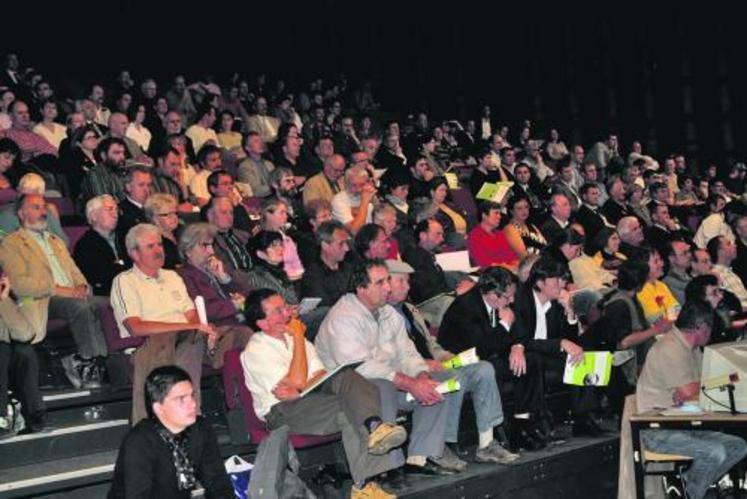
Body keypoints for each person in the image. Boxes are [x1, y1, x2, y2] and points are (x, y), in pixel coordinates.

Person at [241, 289, 404, 498]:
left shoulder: (296, 340)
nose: (287, 313)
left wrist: (299, 387)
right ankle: (363, 486)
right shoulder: (256, 350)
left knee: (348, 377)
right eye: (278, 310)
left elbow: (318, 373)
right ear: (262, 323)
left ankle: (374, 427)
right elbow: (297, 382)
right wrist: (299, 337)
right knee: (351, 408)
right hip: (280, 412)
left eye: (285, 307)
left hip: (309, 399)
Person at [315, 259, 463, 476]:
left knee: (435, 384)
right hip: (352, 393)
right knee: (382, 387)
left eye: (387, 281)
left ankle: (419, 458)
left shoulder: (388, 312)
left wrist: (420, 377)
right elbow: (361, 368)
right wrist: (411, 383)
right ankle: (387, 465)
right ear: (361, 288)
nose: (388, 287)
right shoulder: (343, 318)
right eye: (380, 282)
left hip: (392, 381)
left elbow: (408, 353)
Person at [637, 301, 747, 499]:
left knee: (738, 446)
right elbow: (691, 390)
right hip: (658, 431)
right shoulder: (669, 349)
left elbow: (701, 387)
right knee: (714, 453)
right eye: (711, 328)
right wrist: (719, 380)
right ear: (702, 327)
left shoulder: (693, 349)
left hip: (685, 425)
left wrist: (710, 383)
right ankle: (689, 493)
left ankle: (685, 486)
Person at [0, 194, 107, 390]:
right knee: (82, 307)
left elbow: (75, 272)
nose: (43, 212)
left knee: (108, 304)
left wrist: (82, 286)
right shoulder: (11, 243)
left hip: (71, 296)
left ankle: (104, 362)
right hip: (40, 300)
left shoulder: (55, 241)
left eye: (44, 208)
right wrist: (58, 289)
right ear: (22, 214)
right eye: (36, 208)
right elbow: (19, 285)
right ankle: (89, 364)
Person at [111, 223, 216, 424]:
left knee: (236, 334)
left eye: (159, 245)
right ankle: (188, 416)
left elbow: (191, 315)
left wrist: (200, 329)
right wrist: (188, 328)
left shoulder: (173, 276)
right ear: (134, 253)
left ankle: (186, 415)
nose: (159, 250)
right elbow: (135, 327)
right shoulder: (125, 281)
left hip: (185, 340)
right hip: (147, 345)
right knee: (186, 340)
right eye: (150, 247)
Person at [108, 366, 234, 498]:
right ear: (158, 408)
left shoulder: (201, 429)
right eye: (181, 399)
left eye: (191, 396)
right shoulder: (139, 442)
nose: (193, 404)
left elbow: (217, 481)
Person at [0, 273, 47, 436]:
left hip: (6, 351)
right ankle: (2, 418)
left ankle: (34, 414)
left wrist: (4, 300)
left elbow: (25, 334)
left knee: (25, 352)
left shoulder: (9, 300)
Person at [73, 195, 128, 296]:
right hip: (109, 294)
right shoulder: (85, 245)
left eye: (116, 210)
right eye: (109, 209)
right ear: (94, 216)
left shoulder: (125, 237)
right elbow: (100, 278)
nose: (115, 214)